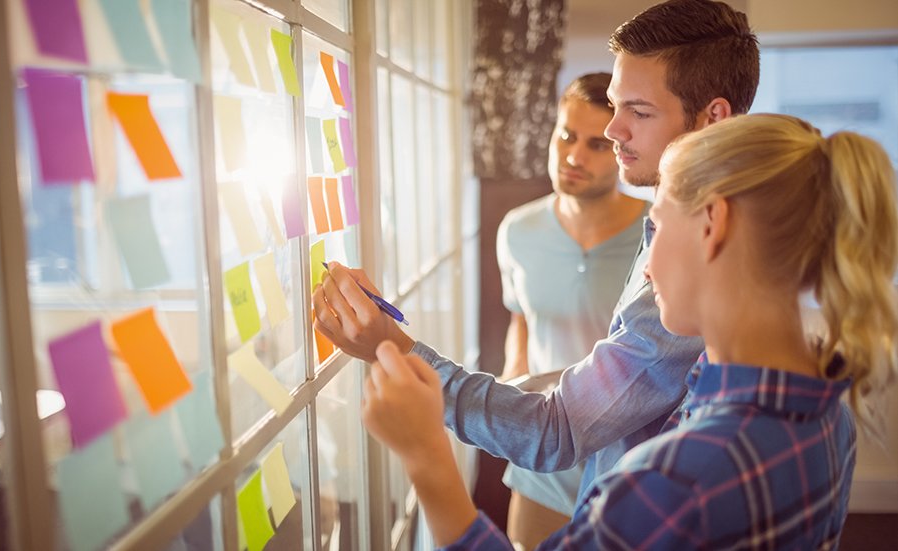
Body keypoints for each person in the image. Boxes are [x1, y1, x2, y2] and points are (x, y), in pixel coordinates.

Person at [361, 113, 898, 548]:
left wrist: (425, 454)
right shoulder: (830, 413)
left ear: (714, 225)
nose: (644, 266)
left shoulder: (677, 483)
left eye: (657, 225)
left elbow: (561, 428)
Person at [314, 0, 757, 503]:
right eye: (616, 105)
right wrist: (513, 387)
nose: (613, 131)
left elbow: (558, 431)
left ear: (712, 117)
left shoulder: (703, 255)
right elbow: (599, 371)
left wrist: (391, 349)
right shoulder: (665, 223)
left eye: (639, 111)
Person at [495, 71, 646, 546]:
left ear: (621, 148)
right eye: (566, 136)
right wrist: (512, 374)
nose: (574, 156)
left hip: (628, 455)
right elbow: (521, 317)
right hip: (543, 451)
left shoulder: (657, 234)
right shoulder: (516, 231)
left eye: (597, 144)